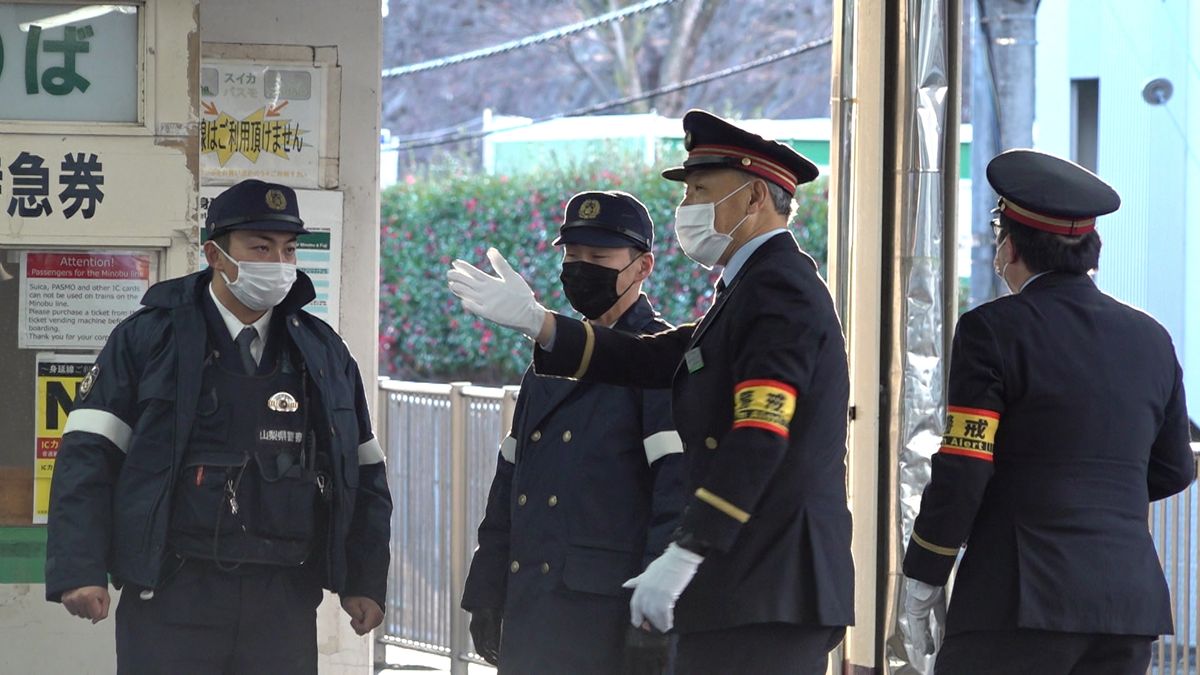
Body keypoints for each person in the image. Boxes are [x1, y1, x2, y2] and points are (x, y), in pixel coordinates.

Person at [448, 110, 853, 674]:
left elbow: (760, 434)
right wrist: (540, 324)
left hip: (770, 581)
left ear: (755, 195)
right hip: (747, 582)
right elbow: (653, 356)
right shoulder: (746, 291)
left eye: (700, 191)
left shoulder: (780, 290)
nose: (686, 207)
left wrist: (688, 549)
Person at [45, 179, 393, 673]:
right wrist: (79, 569)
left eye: (288, 249)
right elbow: (88, 456)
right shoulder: (148, 339)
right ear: (214, 254)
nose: (277, 264)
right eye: (259, 247)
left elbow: (363, 472)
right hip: (171, 591)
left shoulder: (323, 353)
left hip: (283, 601)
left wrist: (364, 579)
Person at [901, 150, 1196, 675]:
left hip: (1017, 599)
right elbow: (1175, 465)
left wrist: (924, 572)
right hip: (1126, 603)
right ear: (1090, 248)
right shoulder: (1150, 337)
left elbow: (966, 465)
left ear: (1009, 246)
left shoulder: (991, 330)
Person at [459, 190, 687, 674]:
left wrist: (651, 621)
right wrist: (487, 588)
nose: (582, 268)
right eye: (573, 256)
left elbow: (674, 498)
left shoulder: (657, 358)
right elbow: (510, 482)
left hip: (603, 617)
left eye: (599, 257)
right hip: (532, 608)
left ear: (643, 267)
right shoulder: (549, 359)